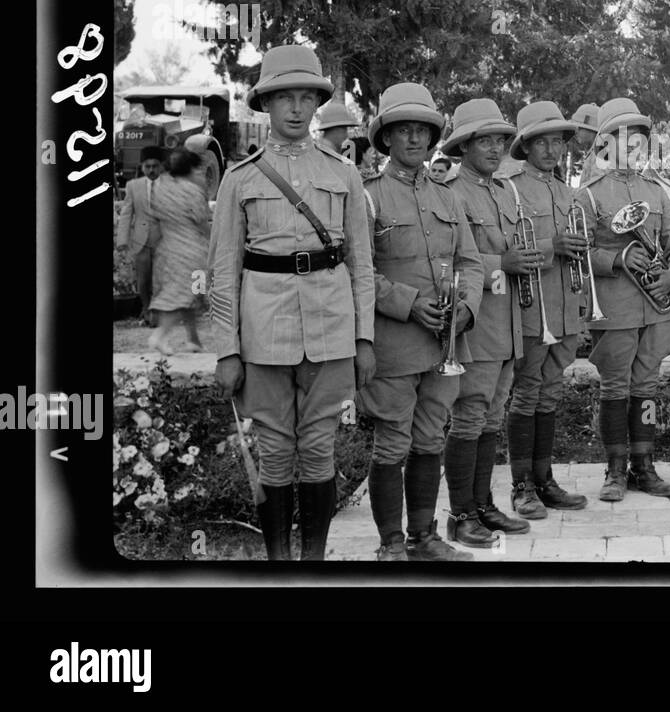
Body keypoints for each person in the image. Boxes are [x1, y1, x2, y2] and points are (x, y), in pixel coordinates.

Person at [208, 44, 375, 561]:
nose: (298, 109)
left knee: (319, 447)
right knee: (277, 449)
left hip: (331, 327)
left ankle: (314, 561)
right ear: (267, 104)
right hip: (265, 328)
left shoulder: (344, 173)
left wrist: (363, 337)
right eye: (286, 98)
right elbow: (222, 271)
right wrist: (226, 349)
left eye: (307, 98)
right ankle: (279, 560)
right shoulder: (241, 178)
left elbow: (363, 265)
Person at [358, 83, 480, 561]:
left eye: (422, 131)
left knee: (431, 435)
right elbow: (359, 269)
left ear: (432, 138)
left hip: (445, 342)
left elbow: (469, 261)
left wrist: (466, 308)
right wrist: (408, 304)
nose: (413, 140)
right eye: (403, 131)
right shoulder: (366, 197)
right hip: (395, 342)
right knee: (392, 441)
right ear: (386, 138)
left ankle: (424, 537)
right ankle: (390, 544)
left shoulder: (448, 197)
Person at [577, 98, 670, 501]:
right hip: (615, 306)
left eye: (640, 139)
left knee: (646, 387)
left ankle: (644, 466)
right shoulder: (588, 195)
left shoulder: (655, 192)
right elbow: (578, 253)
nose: (635, 146)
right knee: (614, 387)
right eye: (627, 139)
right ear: (606, 142)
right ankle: (614, 472)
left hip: (656, 305)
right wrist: (619, 257)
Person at [442, 99, 535, 545]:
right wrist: (502, 261)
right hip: (477, 323)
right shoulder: (452, 192)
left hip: (508, 322)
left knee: (491, 417)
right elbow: (448, 259)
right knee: (469, 417)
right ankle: (460, 514)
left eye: (500, 140)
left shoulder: (503, 191)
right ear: (464, 146)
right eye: (485, 140)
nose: (496, 148)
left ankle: (482, 505)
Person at [501, 101, 591, 517]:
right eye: (543, 142)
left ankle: (545, 479)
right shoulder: (510, 188)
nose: (553, 150)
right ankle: (522, 486)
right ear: (526, 145)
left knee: (550, 393)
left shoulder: (566, 190)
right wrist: (550, 247)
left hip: (563, 309)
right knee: (526, 394)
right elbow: (504, 251)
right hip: (530, 308)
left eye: (558, 142)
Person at [147, 148, 213, 355]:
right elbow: (202, 221)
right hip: (193, 250)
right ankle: (160, 335)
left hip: (168, 248)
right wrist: (216, 238)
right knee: (187, 293)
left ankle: (193, 340)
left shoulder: (159, 187)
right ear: (191, 169)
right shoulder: (192, 191)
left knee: (188, 294)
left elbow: (155, 215)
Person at [116, 146, 165, 327]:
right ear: (142, 167)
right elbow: (127, 214)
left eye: (155, 166)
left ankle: (158, 313)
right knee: (143, 280)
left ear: (161, 166)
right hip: (140, 241)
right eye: (147, 166)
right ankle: (146, 310)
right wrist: (122, 240)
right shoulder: (133, 186)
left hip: (164, 241)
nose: (151, 170)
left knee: (160, 279)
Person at [569, 102, 601, 186]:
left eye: (579, 128)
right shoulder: (593, 152)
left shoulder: (599, 155)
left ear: (592, 130)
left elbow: (595, 191)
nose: (575, 132)